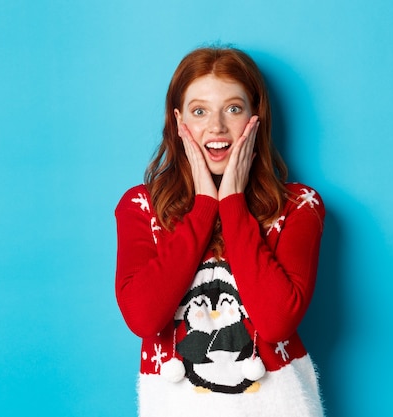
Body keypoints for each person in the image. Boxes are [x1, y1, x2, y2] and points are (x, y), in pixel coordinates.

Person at [114, 46, 326, 417]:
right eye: (200, 111)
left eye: (233, 108)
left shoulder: (299, 205)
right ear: (178, 121)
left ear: (255, 117)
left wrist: (232, 202)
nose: (216, 127)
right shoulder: (141, 207)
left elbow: (276, 323)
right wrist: (203, 208)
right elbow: (144, 318)